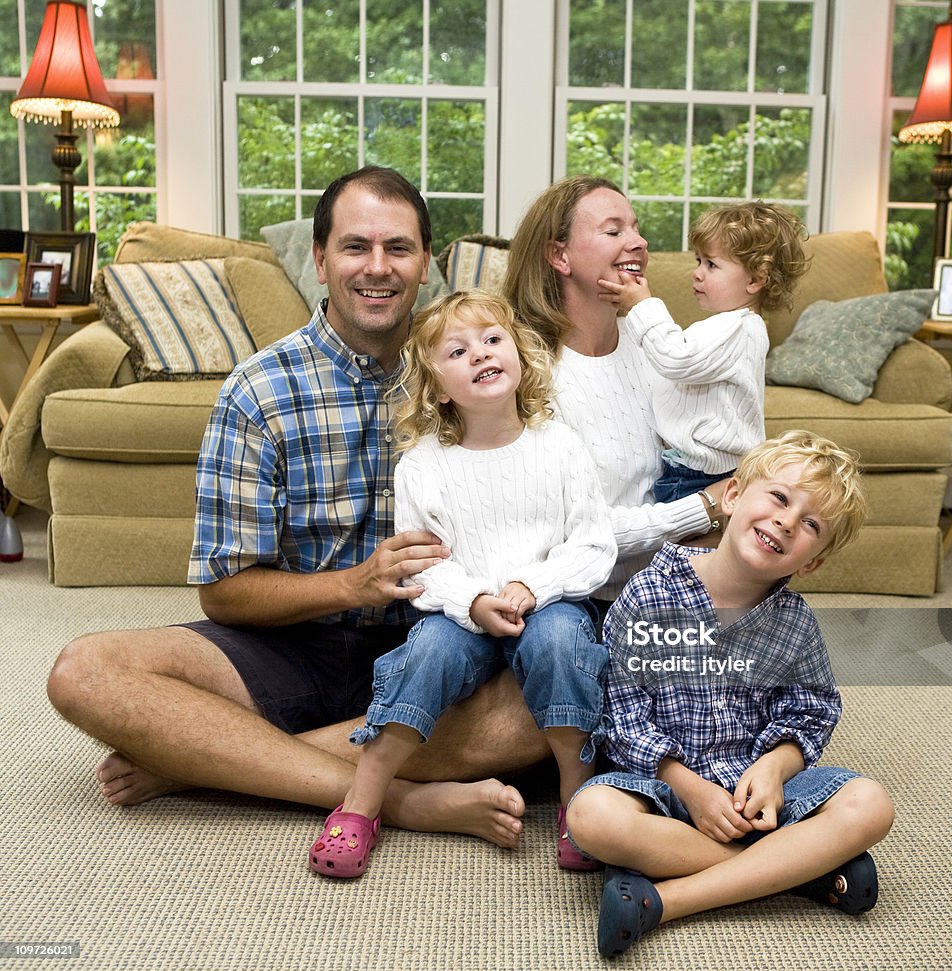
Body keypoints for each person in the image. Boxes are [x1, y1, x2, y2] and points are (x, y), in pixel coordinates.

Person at [45, 166, 550, 849]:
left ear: (425, 262)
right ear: (319, 259)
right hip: (297, 644)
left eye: (398, 248)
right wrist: (354, 583)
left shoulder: (478, 374)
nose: (378, 267)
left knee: (553, 695)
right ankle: (397, 799)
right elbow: (223, 593)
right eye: (355, 247)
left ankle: (209, 762)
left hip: (438, 646)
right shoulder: (257, 392)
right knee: (84, 671)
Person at [307, 290, 616, 878]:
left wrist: (533, 585)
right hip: (457, 612)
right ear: (439, 388)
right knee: (425, 653)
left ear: (520, 357)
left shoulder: (561, 446)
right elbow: (422, 566)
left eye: (493, 340)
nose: (481, 354)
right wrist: (473, 602)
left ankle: (578, 796)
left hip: (545, 604)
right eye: (458, 350)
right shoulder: (424, 464)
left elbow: (594, 545)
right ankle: (362, 801)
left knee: (564, 645)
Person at [564, 431, 895, 957]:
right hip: (666, 791)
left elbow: (812, 712)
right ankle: (801, 873)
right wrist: (689, 788)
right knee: (592, 817)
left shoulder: (794, 624)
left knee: (871, 805)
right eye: (780, 498)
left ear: (810, 563)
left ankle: (669, 900)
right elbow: (621, 716)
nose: (787, 521)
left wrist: (773, 769)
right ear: (734, 496)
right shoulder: (650, 595)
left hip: (760, 798)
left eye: (811, 524)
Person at [503, 177, 722, 609]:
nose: (638, 242)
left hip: (660, 586)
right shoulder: (524, 371)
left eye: (636, 228)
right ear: (559, 255)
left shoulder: (654, 344)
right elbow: (573, 535)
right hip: (568, 597)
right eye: (614, 230)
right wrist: (706, 506)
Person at [597, 202, 809, 503]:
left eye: (711, 265)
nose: (697, 274)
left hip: (707, 478)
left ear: (755, 279)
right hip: (684, 468)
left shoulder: (740, 329)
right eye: (698, 261)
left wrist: (641, 306)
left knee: (686, 549)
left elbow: (674, 358)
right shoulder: (722, 326)